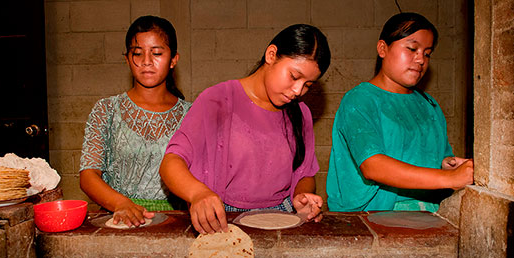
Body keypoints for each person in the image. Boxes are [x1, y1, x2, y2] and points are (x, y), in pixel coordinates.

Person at [160, 24, 331, 234]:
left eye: (308, 85)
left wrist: (302, 198)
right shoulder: (218, 100)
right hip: (224, 219)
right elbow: (171, 163)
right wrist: (197, 194)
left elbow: (304, 173)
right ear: (271, 54)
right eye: (294, 77)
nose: (298, 91)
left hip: (283, 219)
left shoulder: (300, 113)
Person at [327, 12, 474, 212]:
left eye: (427, 53)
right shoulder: (360, 101)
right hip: (372, 218)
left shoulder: (428, 105)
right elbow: (373, 166)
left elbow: (424, 156)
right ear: (382, 48)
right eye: (412, 48)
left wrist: (445, 165)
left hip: (428, 214)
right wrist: (450, 178)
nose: (421, 59)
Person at [80, 15, 191, 227]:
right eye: (137, 54)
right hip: (119, 219)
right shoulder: (107, 110)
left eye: (157, 53)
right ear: (127, 59)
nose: (147, 61)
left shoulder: (191, 114)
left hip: (176, 222)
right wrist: (121, 203)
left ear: (173, 60)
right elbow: (88, 175)